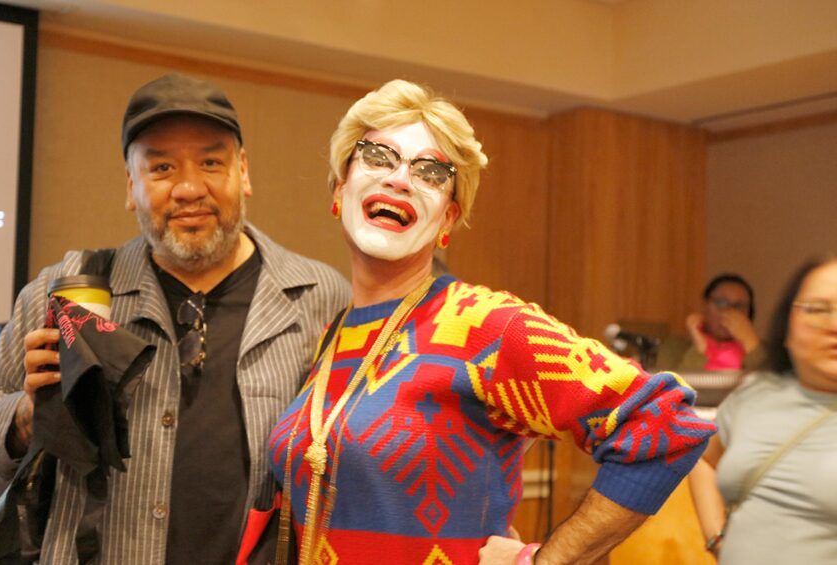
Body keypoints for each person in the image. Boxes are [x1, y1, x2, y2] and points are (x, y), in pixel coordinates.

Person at [266, 79, 716, 565]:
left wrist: (551, 559)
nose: (399, 179)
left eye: (431, 172)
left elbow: (664, 424)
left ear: (447, 220)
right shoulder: (332, 336)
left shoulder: (485, 325)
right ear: (339, 189)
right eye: (378, 156)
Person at [0, 73, 350, 563]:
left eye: (210, 162)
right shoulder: (70, 288)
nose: (188, 188)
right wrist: (28, 415)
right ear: (131, 185)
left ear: (242, 172)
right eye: (161, 167)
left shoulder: (318, 297)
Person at [689, 256, 837, 564]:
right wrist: (716, 536)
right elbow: (702, 459)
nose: (834, 325)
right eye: (818, 310)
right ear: (789, 326)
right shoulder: (756, 395)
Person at [656, 274, 765, 372]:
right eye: (721, 303)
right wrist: (699, 348)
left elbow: (770, 388)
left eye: (739, 306)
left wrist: (751, 343)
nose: (729, 311)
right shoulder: (673, 347)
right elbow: (672, 390)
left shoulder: (766, 351)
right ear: (704, 305)